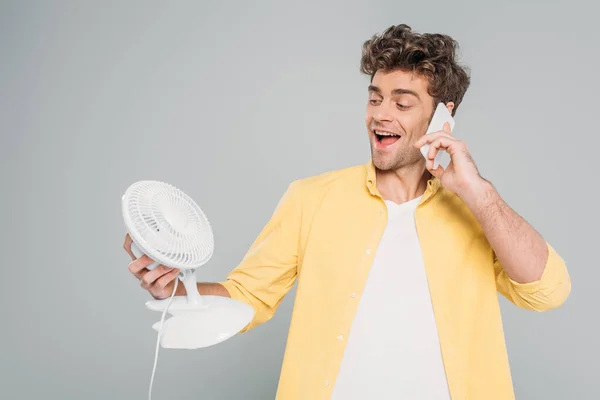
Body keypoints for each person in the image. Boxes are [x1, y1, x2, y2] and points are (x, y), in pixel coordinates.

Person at [124, 24, 571, 400]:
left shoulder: (478, 211)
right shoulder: (311, 198)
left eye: (402, 102)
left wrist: (478, 193)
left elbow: (547, 291)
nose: (381, 115)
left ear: (442, 118)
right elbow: (250, 296)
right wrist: (176, 290)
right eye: (375, 98)